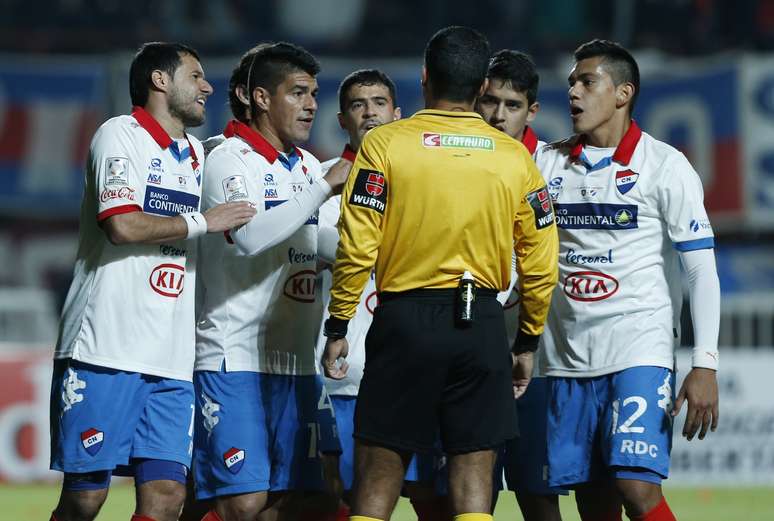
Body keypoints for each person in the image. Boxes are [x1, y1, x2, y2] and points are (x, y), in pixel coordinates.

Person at [322, 26, 559, 521]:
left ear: (425, 78)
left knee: (378, 477)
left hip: (405, 320)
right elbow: (540, 262)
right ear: (479, 89)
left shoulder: (385, 145)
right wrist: (528, 342)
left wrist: (340, 323)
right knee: (473, 482)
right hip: (482, 326)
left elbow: (358, 241)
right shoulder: (516, 158)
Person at [49, 42, 256, 521]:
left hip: (170, 360)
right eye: (196, 76)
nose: (207, 86)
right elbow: (121, 225)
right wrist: (204, 220)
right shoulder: (119, 136)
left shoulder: (197, 156)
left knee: (166, 497)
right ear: (159, 81)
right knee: (85, 497)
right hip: (104, 349)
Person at [537, 39, 720, 521]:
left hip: (639, 349)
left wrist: (705, 363)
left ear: (623, 93)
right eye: (571, 82)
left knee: (636, 488)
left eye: (586, 81)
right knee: (593, 500)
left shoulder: (665, 165)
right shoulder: (548, 164)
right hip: (566, 359)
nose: (573, 91)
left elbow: (700, 268)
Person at [191, 42, 351, 521]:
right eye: (298, 92)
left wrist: (379, 254)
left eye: (315, 94)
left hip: (297, 362)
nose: (311, 105)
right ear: (260, 98)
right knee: (243, 501)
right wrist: (324, 187)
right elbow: (249, 237)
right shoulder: (226, 158)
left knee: (317, 495)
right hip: (233, 357)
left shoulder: (302, 164)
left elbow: (311, 242)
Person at [475, 49, 566, 521]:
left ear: (532, 111)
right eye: (490, 101)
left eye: (512, 105)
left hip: (538, 357)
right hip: (471, 348)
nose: (498, 115)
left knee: (537, 494)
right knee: (474, 487)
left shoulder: (553, 168)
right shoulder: (460, 158)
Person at [314, 68, 401, 520]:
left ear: (397, 113)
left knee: (431, 493)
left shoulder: (418, 182)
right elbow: (327, 244)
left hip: (404, 371)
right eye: (357, 105)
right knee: (334, 493)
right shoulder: (324, 186)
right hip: (341, 373)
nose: (370, 113)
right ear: (342, 120)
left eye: (379, 103)